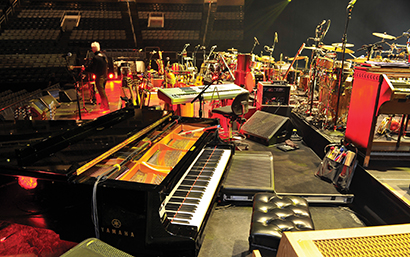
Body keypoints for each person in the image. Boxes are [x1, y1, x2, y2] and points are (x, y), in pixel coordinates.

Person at [82, 42, 109, 111]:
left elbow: (93, 69)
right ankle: (103, 106)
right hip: (105, 76)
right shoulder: (104, 56)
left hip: (99, 77)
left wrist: (85, 69)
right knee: (103, 92)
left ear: (93, 49)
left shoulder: (96, 58)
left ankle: (106, 106)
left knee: (102, 93)